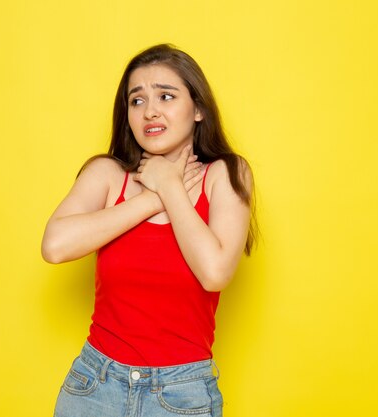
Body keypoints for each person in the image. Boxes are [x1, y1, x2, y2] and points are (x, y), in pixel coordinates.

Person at [41, 43, 256, 417]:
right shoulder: (108, 176)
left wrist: (170, 187)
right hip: (94, 386)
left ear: (199, 108)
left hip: (181, 394)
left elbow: (215, 272)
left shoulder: (226, 174)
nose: (150, 111)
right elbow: (55, 246)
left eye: (166, 96)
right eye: (136, 101)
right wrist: (149, 200)